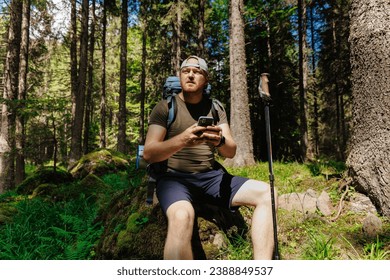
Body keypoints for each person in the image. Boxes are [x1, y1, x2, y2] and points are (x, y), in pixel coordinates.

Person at [143, 55, 275, 260]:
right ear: (179, 76)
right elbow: (149, 153)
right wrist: (184, 139)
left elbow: (230, 151)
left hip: (211, 178)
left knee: (266, 193)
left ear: (206, 79)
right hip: (174, 179)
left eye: (197, 72)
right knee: (181, 216)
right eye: (186, 71)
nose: (191, 75)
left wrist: (219, 141)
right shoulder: (165, 108)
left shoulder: (215, 108)